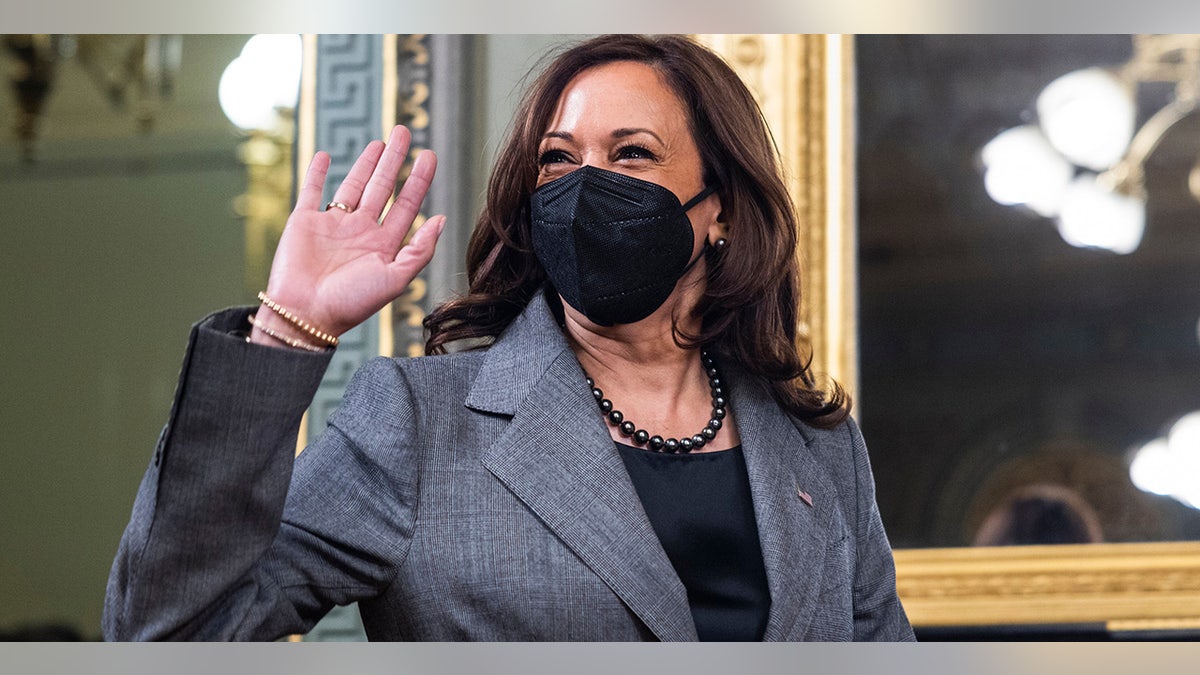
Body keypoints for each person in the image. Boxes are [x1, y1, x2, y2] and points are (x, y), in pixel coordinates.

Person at [103, 34, 913, 642]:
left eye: (632, 153)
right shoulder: (417, 424)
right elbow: (167, 632)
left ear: (721, 208)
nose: (586, 183)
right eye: (558, 161)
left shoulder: (821, 447)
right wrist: (284, 326)